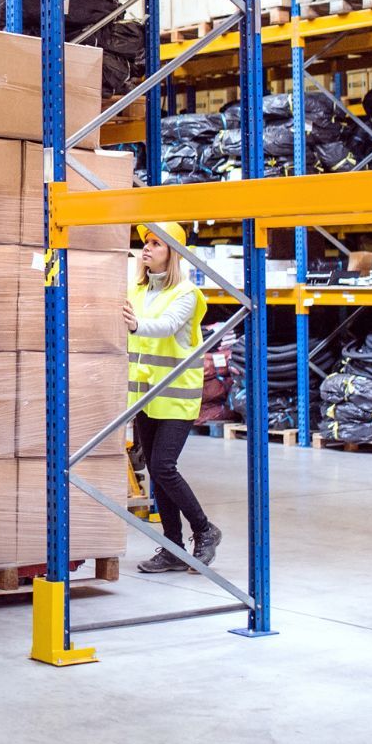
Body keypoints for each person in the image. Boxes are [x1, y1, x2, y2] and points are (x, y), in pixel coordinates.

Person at [123, 222, 223, 575]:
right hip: (144, 397)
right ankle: (172, 548)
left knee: (164, 466)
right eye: (145, 243)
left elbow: (165, 325)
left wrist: (135, 326)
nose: (147, 248)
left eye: (156, 243)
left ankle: (205, 529)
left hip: (176, 397)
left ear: (173, 253)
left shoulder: (186, 294)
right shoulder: (136, 290)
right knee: (155, 470)